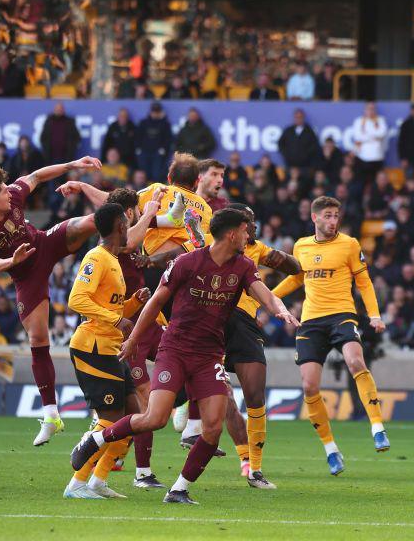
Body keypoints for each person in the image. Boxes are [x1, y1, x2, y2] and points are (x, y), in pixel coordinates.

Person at [70, 208, 298, 505]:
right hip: (175, 350)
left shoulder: (242, 266)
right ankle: (96, 439)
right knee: (155, 418)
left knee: (213, 428)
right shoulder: (187, 262)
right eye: (245, 230)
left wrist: (279, 310)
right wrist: (135, 339)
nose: (249, 235)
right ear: (232, 234)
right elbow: (155, 303)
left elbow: (264, 293)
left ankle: (178, 489)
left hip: (209, 355)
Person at [0, 158, 103, 446]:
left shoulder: (12, 195)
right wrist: (11, 261)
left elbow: (38, 175)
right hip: (27, 276)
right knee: (38, 339)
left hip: (45, 243)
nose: (10, 191)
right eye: (3, 191)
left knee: (95, 220)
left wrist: (75, 164)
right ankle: (52, 415)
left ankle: (153, 226)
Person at [272, 196, 389, 476]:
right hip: (311, 321)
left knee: (355, 362)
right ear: (315, 218)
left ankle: (377, 427)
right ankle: (331, 450)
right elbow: (297, 278)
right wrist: (268, 297)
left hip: (342, 314)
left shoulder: (349, 244)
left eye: (336, 215)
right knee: (310, 386)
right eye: (327, 215)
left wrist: (374, 314)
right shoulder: (301, 245)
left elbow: (364, 281)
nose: (333, 221)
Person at [62, 203, 151, 499]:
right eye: (127, 220)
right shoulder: (96, 257)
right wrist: (116, 318)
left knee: (134, 416)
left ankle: (98, 481)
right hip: (92, 348)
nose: (130, 224)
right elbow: (76, 299)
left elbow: (110, 307)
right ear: (120, 225)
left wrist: (133, 304)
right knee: (112, 419)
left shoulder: (112, 259)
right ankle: (76, 484)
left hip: (111, 348)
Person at [137, 102, 174, 182]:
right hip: (144, 152)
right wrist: (139, 148)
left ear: (160, 112)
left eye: (157, 112)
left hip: (158, 153)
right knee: (144, 173)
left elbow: (168, 139)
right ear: (150, 112)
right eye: (154, 111)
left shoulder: (165, 124)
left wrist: (163, 149)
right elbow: (138, 136)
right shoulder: (143, 123)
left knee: (156, 174)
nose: (155, 114)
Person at [352, 102, 387, 185]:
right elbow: (358, 137)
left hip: (377, 157)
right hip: (362, 157)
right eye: (369, 108)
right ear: (365, 110)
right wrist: (374, 137)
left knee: (376, 184)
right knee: (361, 183)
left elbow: (382, 133)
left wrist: (366, 134)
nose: (371, 111)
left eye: (373, 109)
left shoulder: (380, 120)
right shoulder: (359, 121)